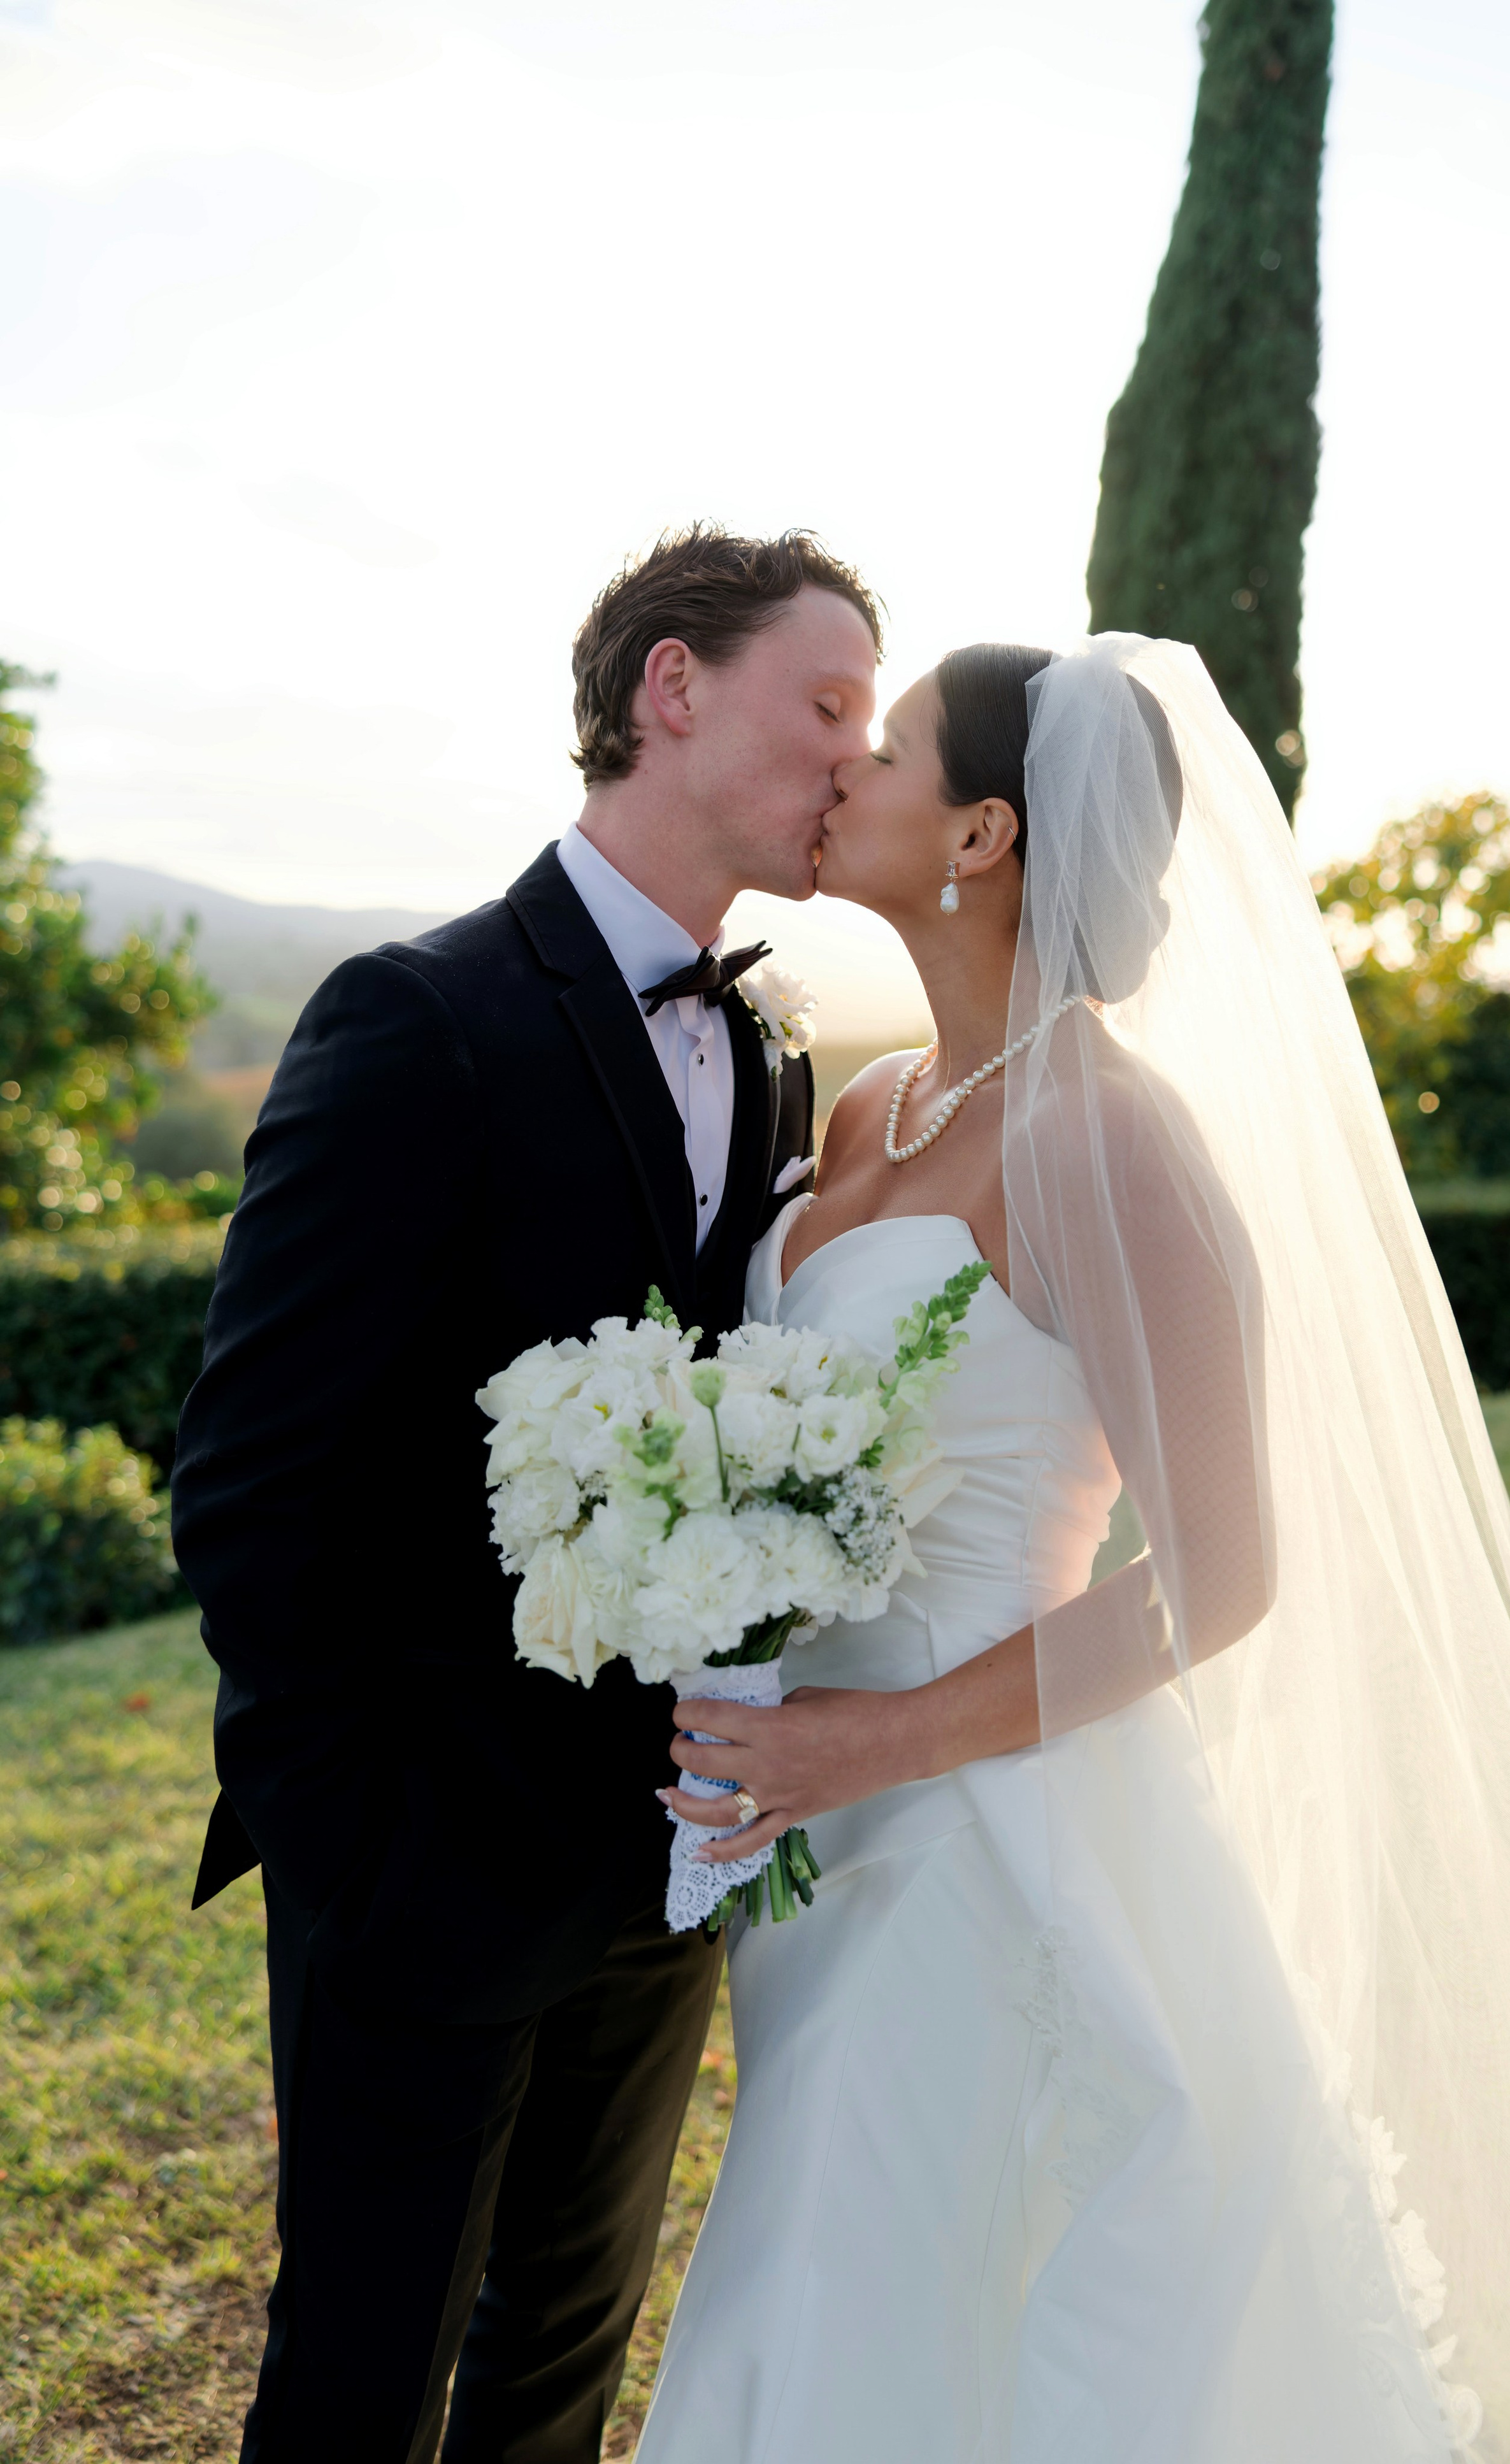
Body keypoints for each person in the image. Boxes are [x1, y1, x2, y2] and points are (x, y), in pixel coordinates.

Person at [638, 637, 1510, 2461]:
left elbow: (1223, 1576)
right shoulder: (875, 1108)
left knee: (878, 2287)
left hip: (977, 1833)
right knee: (834, 2251)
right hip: (811, 1830)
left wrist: (873, 1743)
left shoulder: (1113, 1137)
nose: (849, 765)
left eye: (897, 742)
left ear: (987, 831)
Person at [169, 525, 881, 2464]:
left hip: (655, 1860)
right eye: (828, 704)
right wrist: (358, 1856)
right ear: (672, 685)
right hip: (420, 1876)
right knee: (360, 2388)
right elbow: (247, 1480)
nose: (858, 757)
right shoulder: (418, 1017)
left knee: (559, 2370)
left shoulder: (774, 1046)